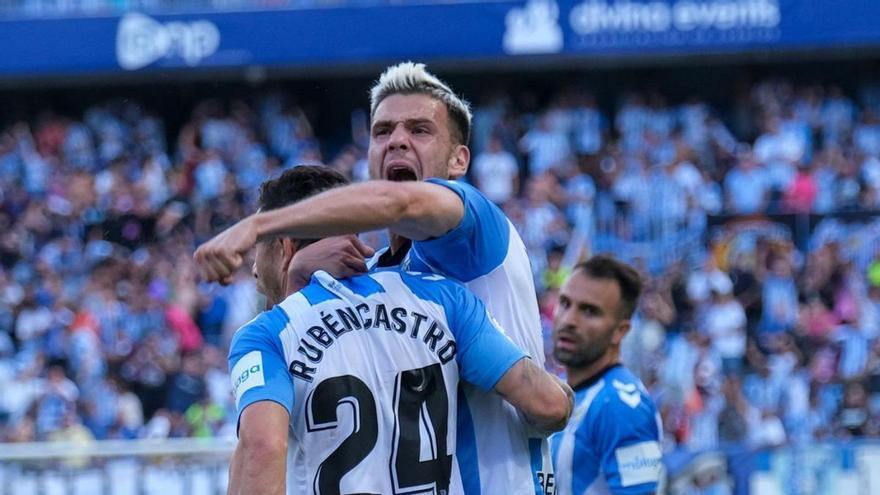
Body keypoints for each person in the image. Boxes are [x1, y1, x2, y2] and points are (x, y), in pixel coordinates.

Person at [195, 62, 554, 493]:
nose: (397, 140)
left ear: (459, 160)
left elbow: (399, 203)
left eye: (420, 130)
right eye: (382, 132)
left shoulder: (476, 229)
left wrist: (258, 227)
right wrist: (298, 276)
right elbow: (302, 364)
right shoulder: (388, 278)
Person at [226, 166, 572, 494]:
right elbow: (548, 405)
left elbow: (263, 445)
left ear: (284, 246)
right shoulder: (442, 297)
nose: (254, 269)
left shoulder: (264, 336)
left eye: (259, 249)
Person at [550, 255, 664, 495]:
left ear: (620, 331)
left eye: (589, 311)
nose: (569, 320)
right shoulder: (561, 391)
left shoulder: (623, 406)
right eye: (565, 303)